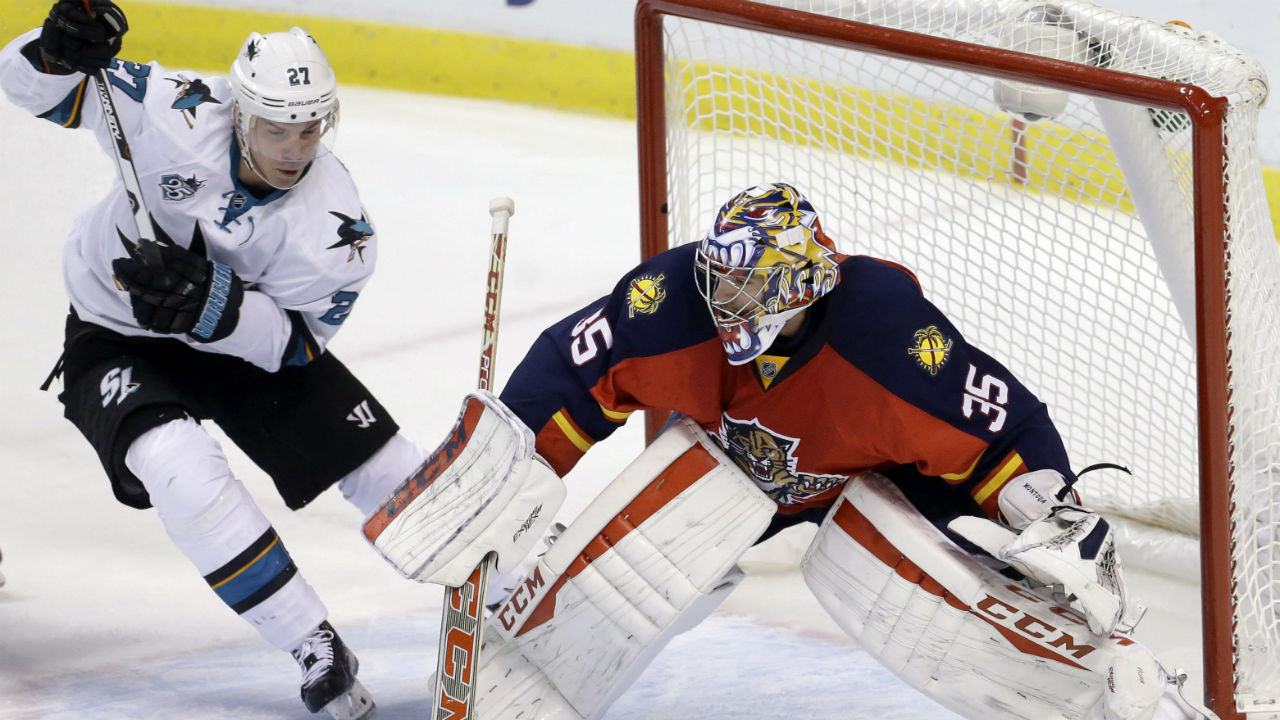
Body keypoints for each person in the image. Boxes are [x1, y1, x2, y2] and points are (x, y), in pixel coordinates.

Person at [399, 182, 1211, 719]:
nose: (725, 301)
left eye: (749, 285)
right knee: (673, 514)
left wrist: (1047, 505)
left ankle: (1123, 691)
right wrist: (510, 462)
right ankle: (520, 673)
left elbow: (1002, 428)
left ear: (801, 281)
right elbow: (576, 366)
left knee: (933, 584)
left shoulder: (884, 332)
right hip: (744, 477)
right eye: (721, 280)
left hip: (883, 479)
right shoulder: (670, 300)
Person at [0, 3, 429, 718]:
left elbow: (300, 344)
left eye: (309, 129)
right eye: (275, 129)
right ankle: (311, 642)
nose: (294, 150)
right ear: (238, 112)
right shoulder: (172, 111)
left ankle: (515, 584)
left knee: (379, 462)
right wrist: (54, 51)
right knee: (179, 468)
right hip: (113, 334)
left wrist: (220, 308)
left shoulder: (338, 228)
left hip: (241, 350)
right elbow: (29, 88)